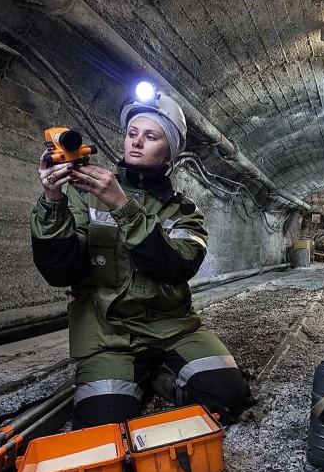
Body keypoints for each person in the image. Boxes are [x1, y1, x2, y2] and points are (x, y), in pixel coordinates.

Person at [30, 88, 255, 429]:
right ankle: (142, 379)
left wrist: (123, 206)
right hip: (108, 334)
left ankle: (157, 377)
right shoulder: (84, 198)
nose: (136, 142)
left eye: (151, 136)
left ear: (170, 153)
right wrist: (52, 200)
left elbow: (175, 268)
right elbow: (61, 271)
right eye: (132, 133)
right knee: (102, 428)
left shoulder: (184, 211)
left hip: (172, 329)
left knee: (230, 400)